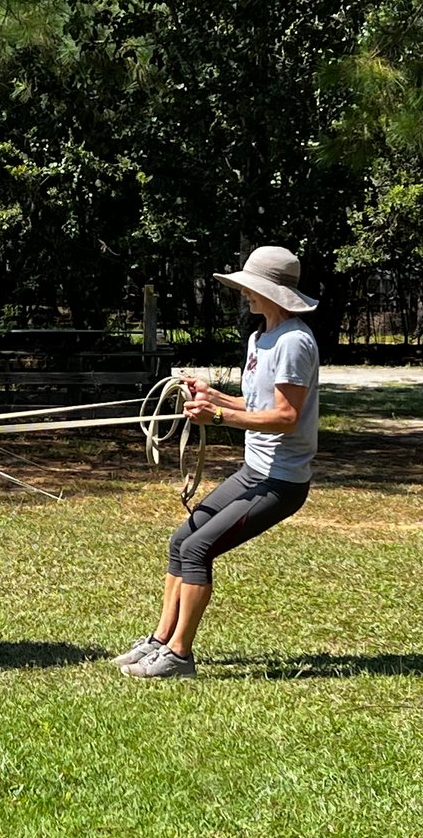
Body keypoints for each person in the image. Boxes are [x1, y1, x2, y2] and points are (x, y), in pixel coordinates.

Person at [114, 245, 320, 678]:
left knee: (198, 548)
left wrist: (219, 417)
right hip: (253, 471)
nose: (244, 293)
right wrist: (214, 396)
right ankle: (160, 640)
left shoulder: (295, 342)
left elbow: (286, 417)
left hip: (281, 481)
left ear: (272, 292)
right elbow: (258, 403)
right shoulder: (261, 337)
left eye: (251, 287)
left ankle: (179, 655)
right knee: (181, 540)